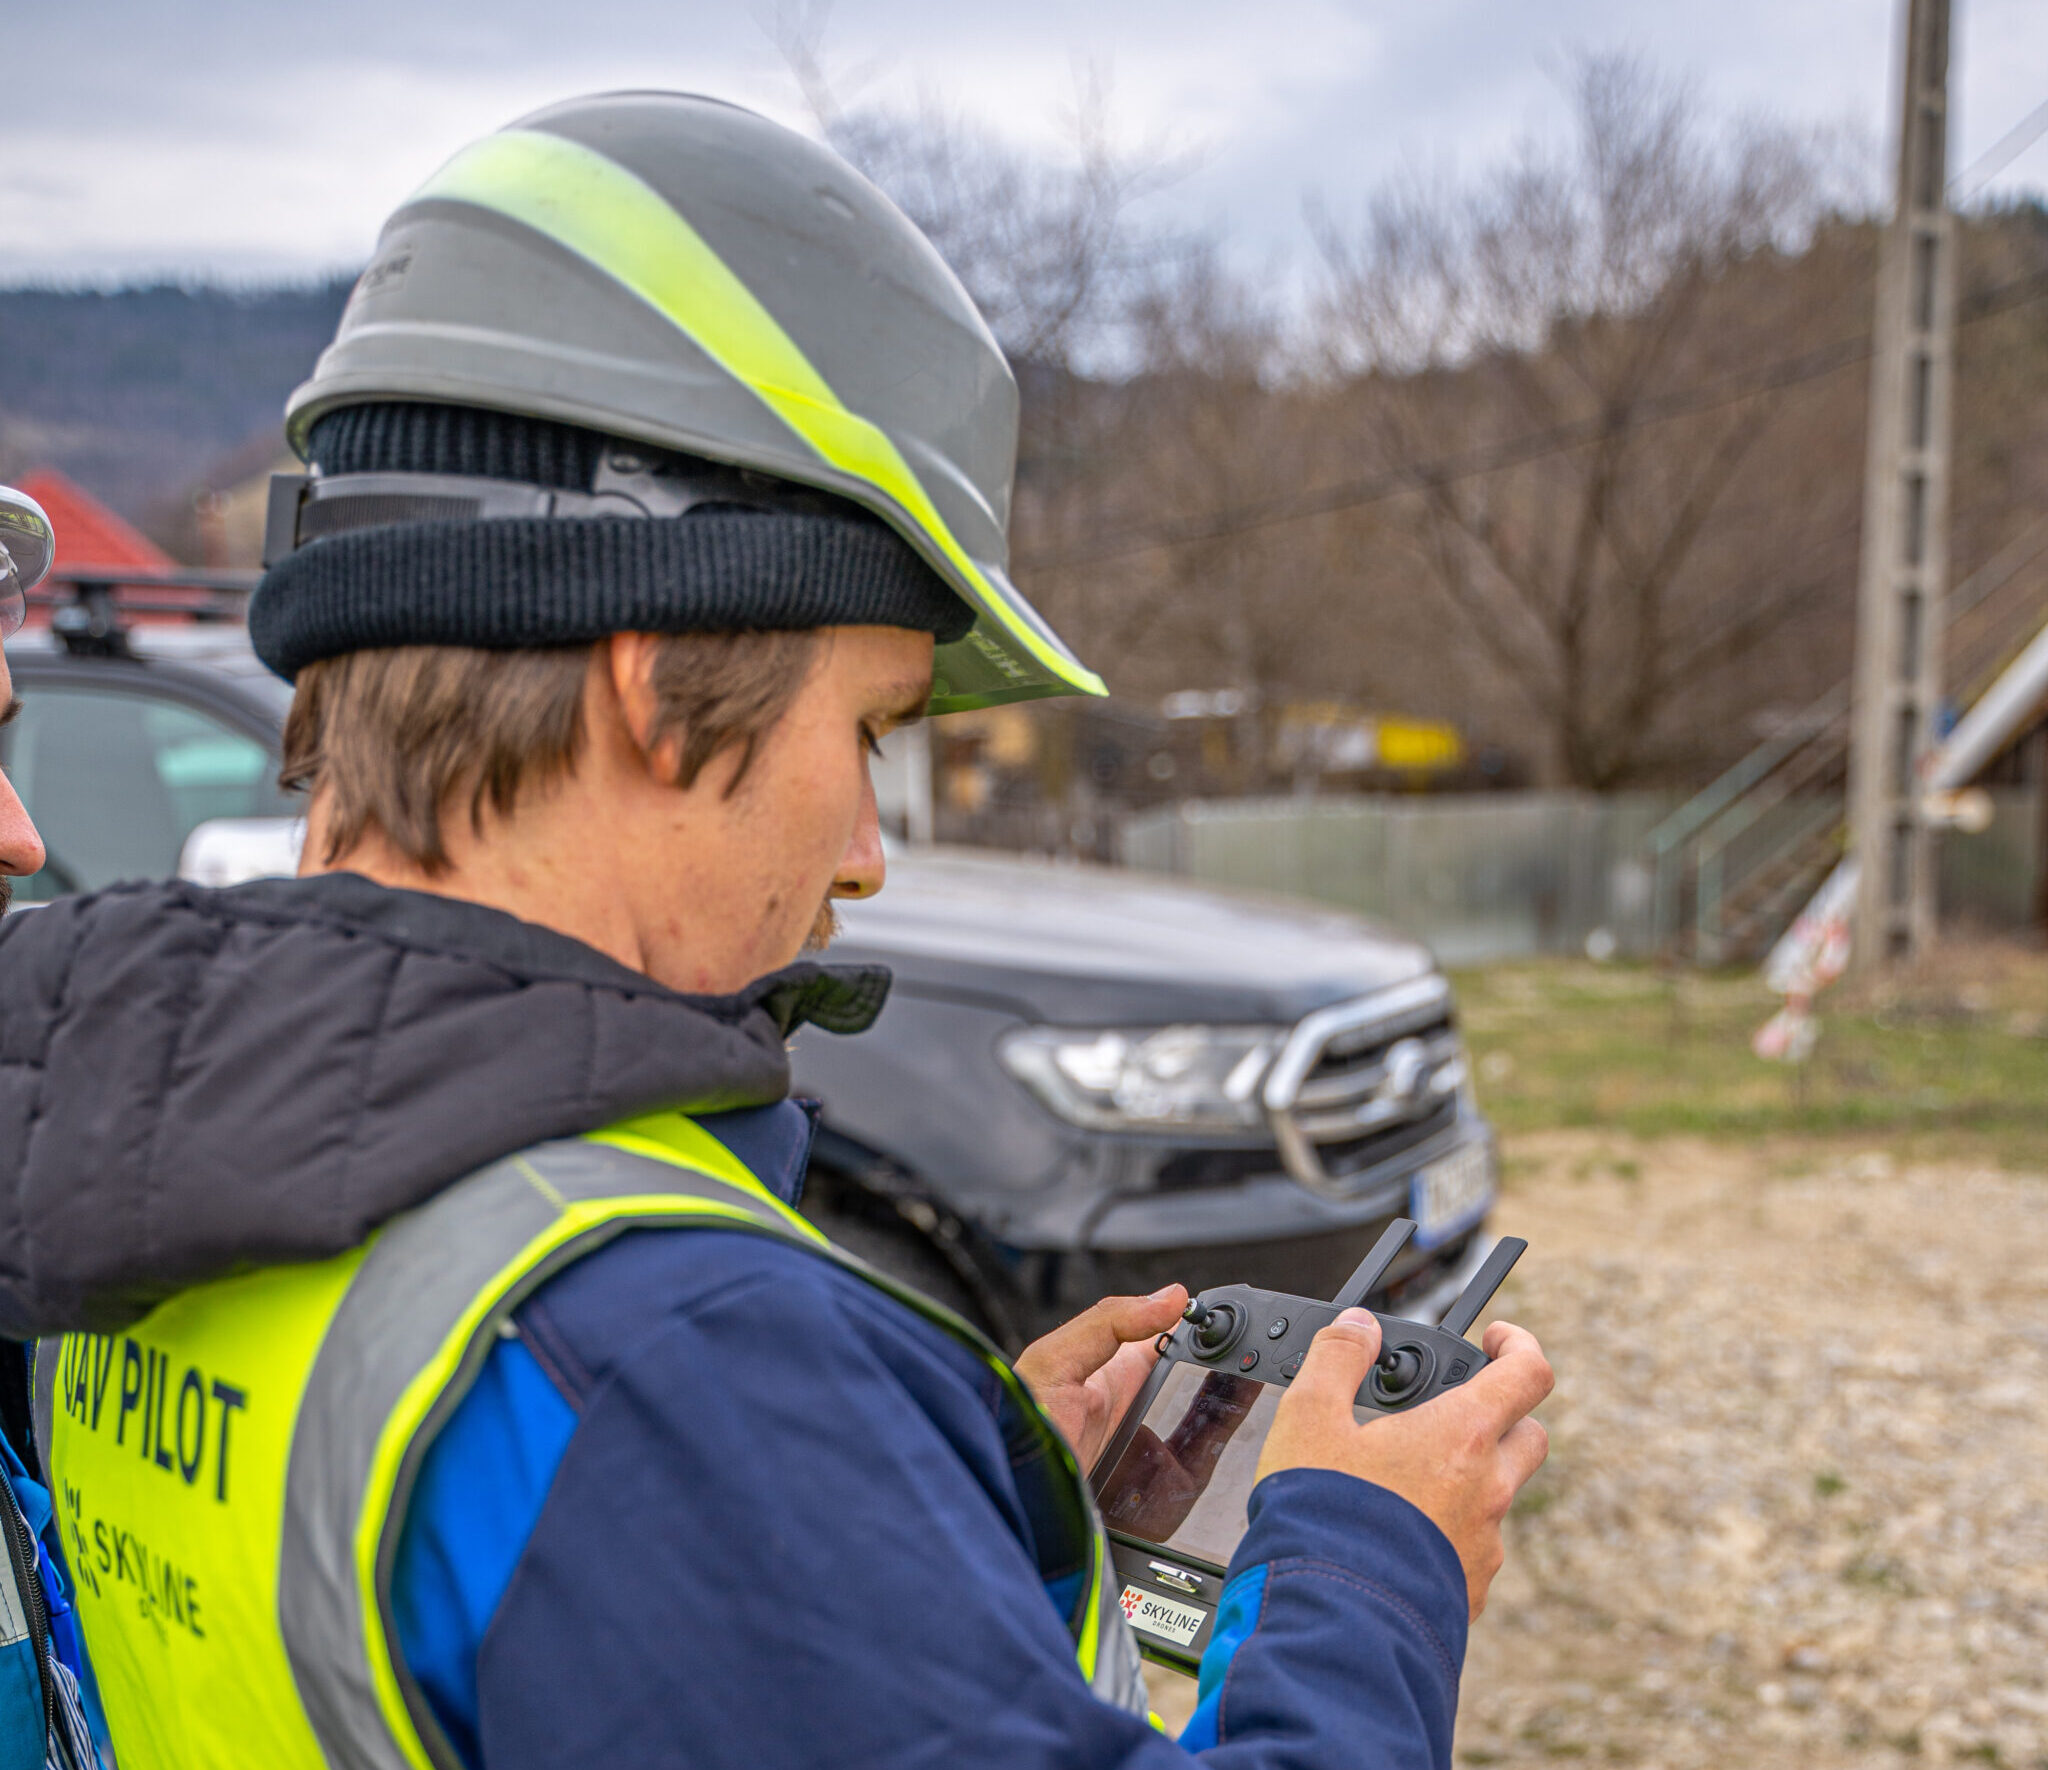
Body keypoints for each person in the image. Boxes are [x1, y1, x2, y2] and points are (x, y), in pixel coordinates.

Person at [0, 95, 1551, 1769]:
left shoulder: (127, 1173)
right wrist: (1369, 1572)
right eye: (868, 730)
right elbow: (645, 1491)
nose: (869, 854)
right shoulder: (679, 1367)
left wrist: (906, 1510)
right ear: (654, 679)